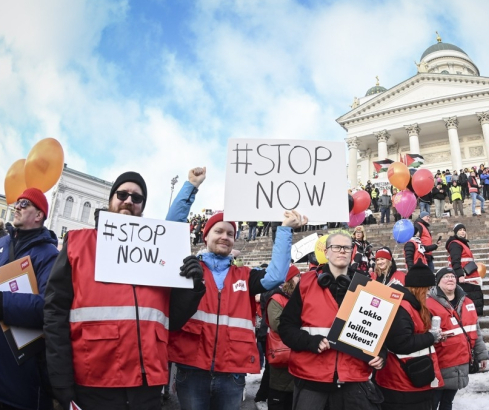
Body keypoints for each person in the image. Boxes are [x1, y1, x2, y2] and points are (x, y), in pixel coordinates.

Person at [44, 171, 207, 410]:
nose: (129, 201)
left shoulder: (158, 250)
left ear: (142, 206)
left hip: (146, 384)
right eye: (122, 194)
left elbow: (172, 320)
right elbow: (54, 313)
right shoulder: (77, 243)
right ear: (111, 199)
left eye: (137, 198)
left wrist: (192, 286)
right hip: (93, 381)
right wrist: (60, 379)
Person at [167, 179, 307, 409]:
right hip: (191, 371)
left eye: (230, 233)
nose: (225, 236)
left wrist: (284, 230)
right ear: (205, 236)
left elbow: (276, 276)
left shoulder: (245, 275)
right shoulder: (190, 269)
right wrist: (190, 186)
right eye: (219, 231)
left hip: (231, 374)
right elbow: (171, 232)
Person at [279, 231, 385, 410]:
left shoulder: (367, 286)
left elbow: (378, 330)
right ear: (326, 252)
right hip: (311, 380)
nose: (342, 251)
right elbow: (286, 328)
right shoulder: (305, 283)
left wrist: (381, 354)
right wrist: (310, 341)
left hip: (353, 380)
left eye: (346, 247)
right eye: (336, 247)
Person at [0, 188, 58, 410]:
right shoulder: (3, 244)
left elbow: (48, 307)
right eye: (17, 202)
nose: (17, 206)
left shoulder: (49, 255)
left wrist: (2, 303)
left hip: (22, 379)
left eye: (24, 203)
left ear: (39, 215)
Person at [375, 262, 443, 410]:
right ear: (419, 289)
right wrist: (431, 337)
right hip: (401, 383)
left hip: (413, 378)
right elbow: (400, 343)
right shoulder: (403, 307)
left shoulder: (413, 306)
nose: (429, 293)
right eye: (428, 289)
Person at [427, 268, 488, 410]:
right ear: (438, 282)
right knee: (433, 402)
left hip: (461, 361)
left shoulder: (467, 302)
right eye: (446, 277)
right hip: (440, 362)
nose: (450, 279)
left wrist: (482, 354)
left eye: (452, 276)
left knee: (448, 402)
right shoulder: (429, 304)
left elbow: (475, 331)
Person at [266, 266, 302, 410]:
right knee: (280, 398)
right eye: (297, 276)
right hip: (282, 353)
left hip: (297, 353)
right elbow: (277, 324)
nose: (300, 278)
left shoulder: (300, 298)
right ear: (289, 279)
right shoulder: (276, 299)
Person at [446, 223, 483, 315]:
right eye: (460, 230)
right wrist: (460, 275)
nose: (462, 232)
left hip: (469, 277)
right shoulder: (455, 244)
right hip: (464, 278)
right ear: (456, 232)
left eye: (464, 230)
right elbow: (455, 261)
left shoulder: (462, 243)